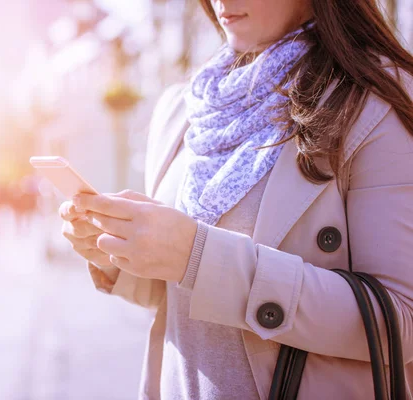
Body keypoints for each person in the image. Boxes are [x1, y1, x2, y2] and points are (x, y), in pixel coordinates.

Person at [60, 0, 413, 399]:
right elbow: (178, 298)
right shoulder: (186, 107)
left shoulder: (372, 100)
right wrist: (117, 252)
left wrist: (197, 256)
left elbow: (400, 321)